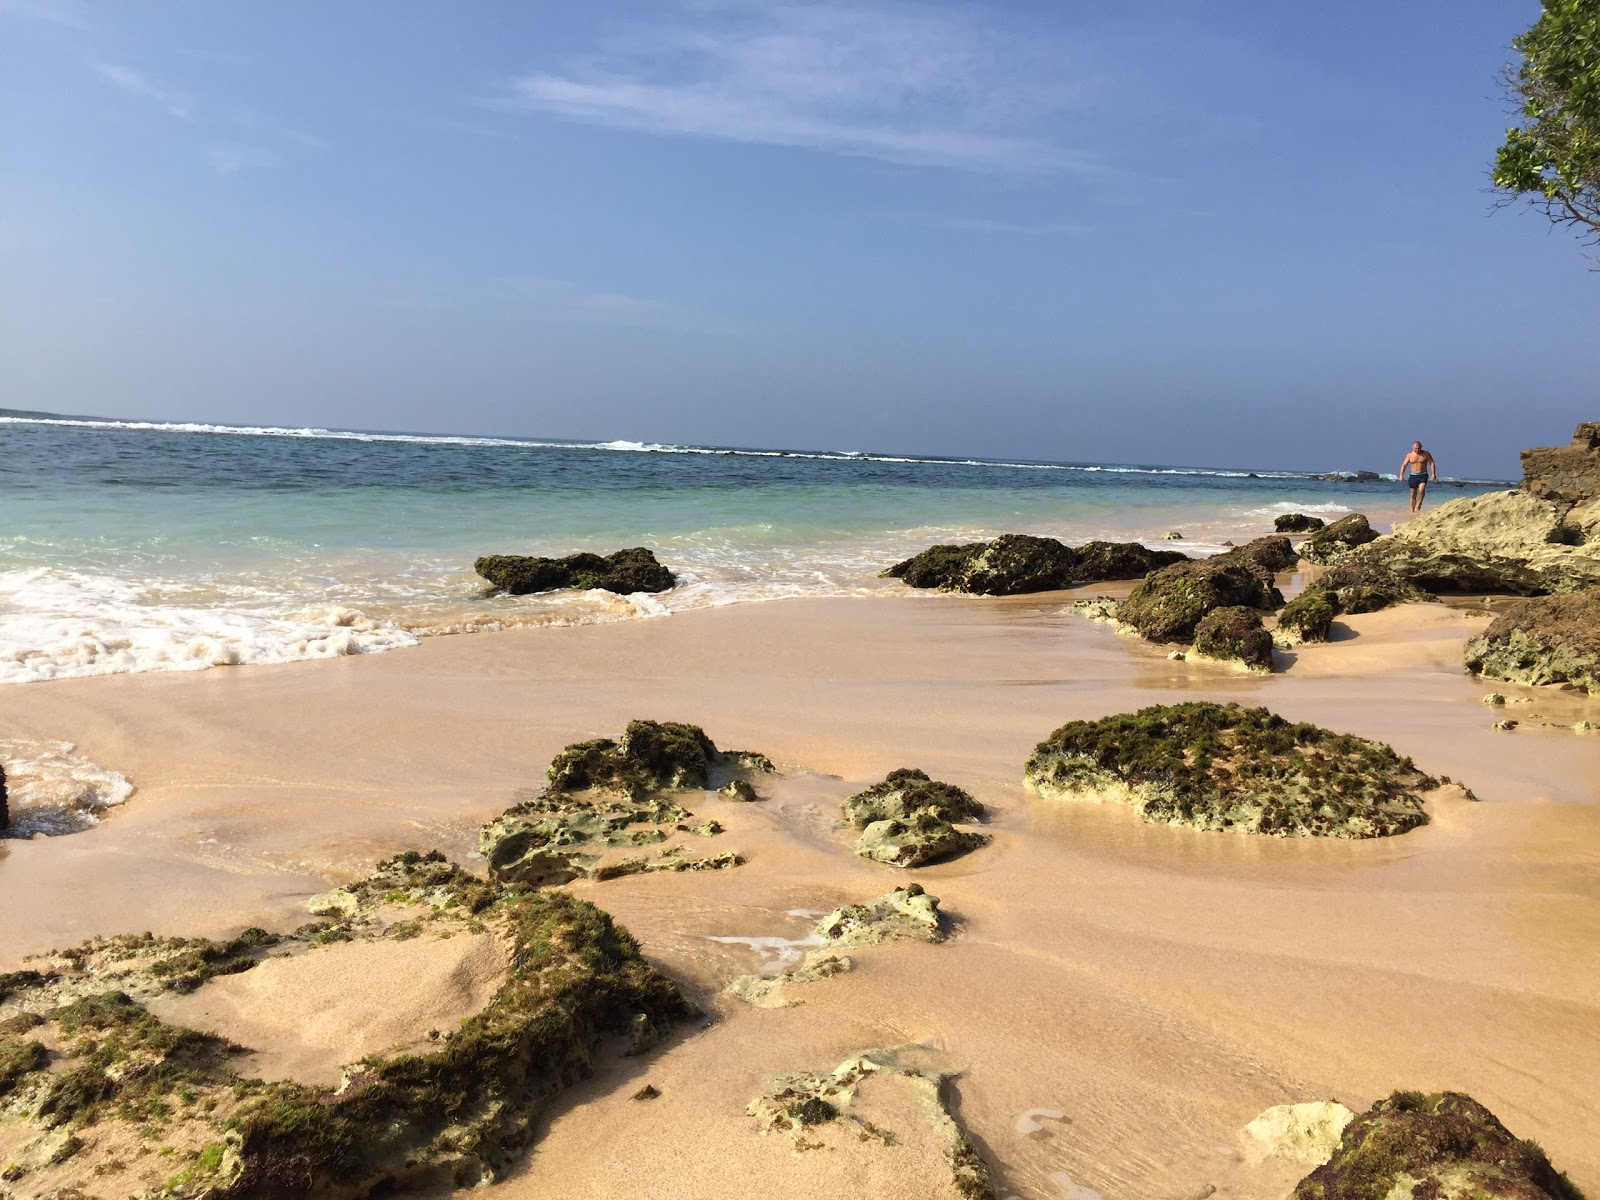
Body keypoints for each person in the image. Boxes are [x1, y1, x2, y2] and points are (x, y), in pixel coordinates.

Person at [1399, 440, 1437, 513]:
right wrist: (1401, 475)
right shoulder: (1410, 455)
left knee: (1421, 490)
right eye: (1415, 448)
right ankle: (1412, 511)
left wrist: (1433, 474)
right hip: (1413, 476)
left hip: (1423, 475)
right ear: (1412, 448)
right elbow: (1404, 465)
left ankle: (1419, 504)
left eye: (1418, 448)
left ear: (1421, 447)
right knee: (1413, 495)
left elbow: (1431, 463)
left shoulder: (1426, 454)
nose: (1417, 450)